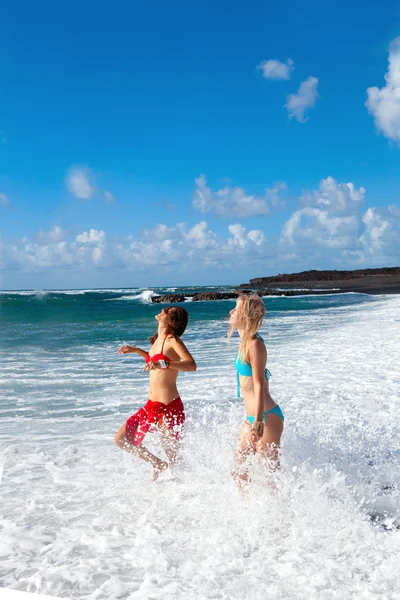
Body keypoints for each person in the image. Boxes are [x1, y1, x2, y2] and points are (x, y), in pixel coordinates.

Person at [114, 306, 196, 481]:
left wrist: (163, 364)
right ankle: (158, 463)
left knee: (173, 456)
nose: (163, 308)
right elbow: (155, 361)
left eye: (168, 310)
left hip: (169, 406)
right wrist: (136, 350)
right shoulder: (158, 340)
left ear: (172, 321)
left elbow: (191, 365)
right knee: (121, 439)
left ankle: (183, 487)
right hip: (152, 405)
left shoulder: (173, 340)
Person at [229, 294, 284, 485]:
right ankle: (248, 510)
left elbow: (259, 383)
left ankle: (283, 512)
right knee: (237, 471)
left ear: (246, 315)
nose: (231, 312)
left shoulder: (255, 344)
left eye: (236, 309)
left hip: (266, 417)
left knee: (269, 477)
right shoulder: (244, 343)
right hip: (251, 418)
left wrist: (259, 421)